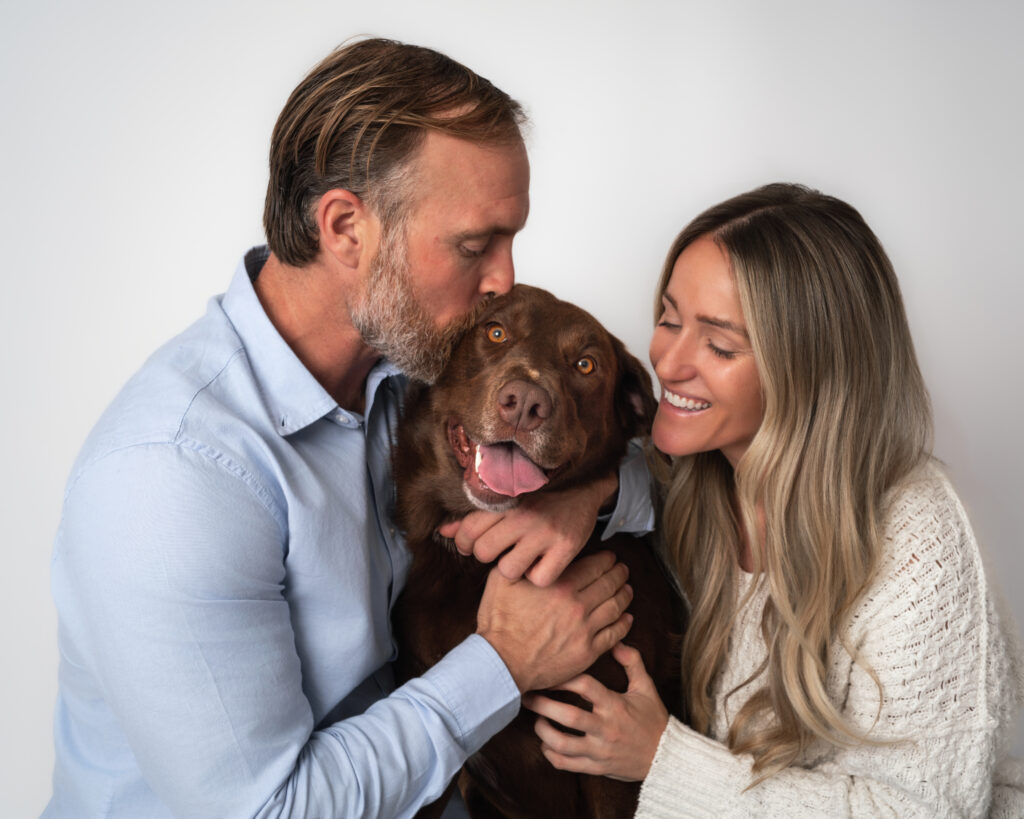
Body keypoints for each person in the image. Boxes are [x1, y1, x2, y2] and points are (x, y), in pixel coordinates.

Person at [45, 38, 653, 818]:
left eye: (511, 240)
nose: (503, 280)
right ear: (344, 229)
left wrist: (584, 501)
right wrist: (500, 662)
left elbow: (642, 465)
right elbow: (271, 810)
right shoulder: (174, 476)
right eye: (475, 246)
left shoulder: (409, 376)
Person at [523, 183, 1024, 816]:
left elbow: (919, 811)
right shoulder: (693, 479)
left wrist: (661, 761)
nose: (668, 363)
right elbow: (638, 471)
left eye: (719, 344)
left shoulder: (916, 538)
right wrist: (594, 494)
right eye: (670, 318)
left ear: (809, 370)